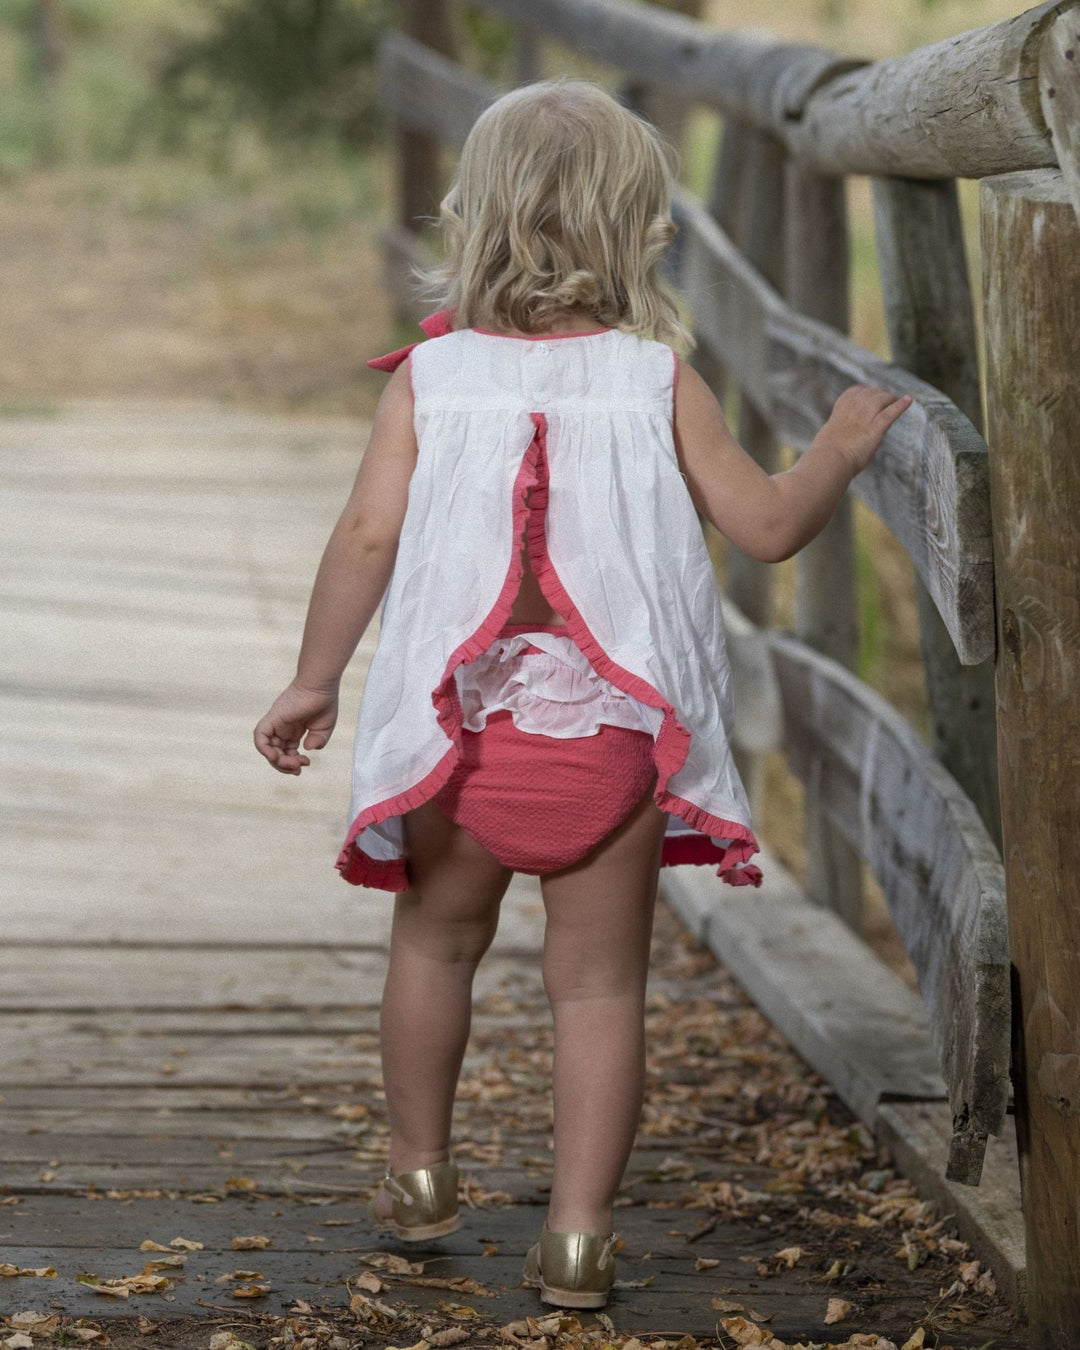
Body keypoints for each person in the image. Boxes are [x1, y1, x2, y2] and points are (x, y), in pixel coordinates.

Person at [253, 79, 911, 1310]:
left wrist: (313, 679)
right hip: (607, 738)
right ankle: (576, 1240)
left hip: (464, 737)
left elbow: (362, 539)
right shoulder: (657, 383)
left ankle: (417, 1173)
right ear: (637, 226)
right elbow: (766, 528)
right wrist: (837, 449)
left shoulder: (431, 379)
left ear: (477, 218)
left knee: (436, 947)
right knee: (600, 987)